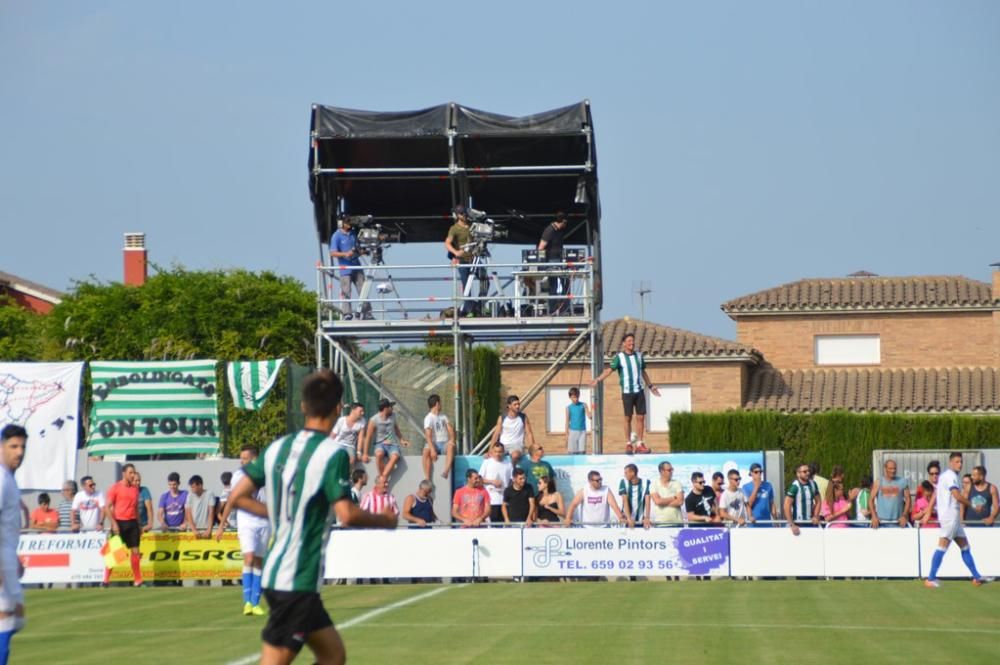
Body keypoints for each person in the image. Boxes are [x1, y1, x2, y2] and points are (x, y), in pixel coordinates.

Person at [227, 369, 397, 664]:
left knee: (333, 654)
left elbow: (237, 496)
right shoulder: (333, 454)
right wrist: (385, 520)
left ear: (303, 406)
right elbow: (346, 514)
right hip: (296, 577)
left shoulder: (276, 448)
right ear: (336, 408)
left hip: (281, 573)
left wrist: (283, 513)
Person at [216, 445, 270, 616]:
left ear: (255, 458)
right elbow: (232, 501)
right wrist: (222, 525)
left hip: (264, 522)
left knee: (259, 562)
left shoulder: (268, 473)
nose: (242, 461)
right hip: (246, 521)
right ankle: (247, 602)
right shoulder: (239, 475)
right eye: (241, 458)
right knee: (248, 557)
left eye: (245, 458)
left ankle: (256, 603)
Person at [925, 452, 991, 588]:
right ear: (950, 463)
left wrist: (929, 510)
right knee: (942, 547)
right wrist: (973, 505)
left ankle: (977, 577)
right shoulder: (950, 476)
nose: (960, 464)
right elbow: (956, 495)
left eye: (961, 461)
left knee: (965, 547)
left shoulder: (947, 476)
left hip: (953, 518)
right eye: (957, 461)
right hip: (950, 518)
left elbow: (937, 494)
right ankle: (930, 579)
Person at [589, 333, 661, 454]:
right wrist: (598, 379)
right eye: (629, 341)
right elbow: (609, 370)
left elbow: (643, 372)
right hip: (627, 392)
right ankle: (628, 443)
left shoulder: (639, 356)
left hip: (639, 390)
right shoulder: (620, 357)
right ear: (624, 343)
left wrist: (651, 386)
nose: (631, 343)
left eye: (632, 341)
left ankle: (639, 443)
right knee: (627, 417)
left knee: (641, 417)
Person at [0, 425, 28, 664]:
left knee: (16, 619)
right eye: (13, 446)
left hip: (7, 557)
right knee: (6, 621)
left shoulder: (9, 478)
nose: (19, 452)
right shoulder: (1, 478)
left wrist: (14, 558)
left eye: (22, 447)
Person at [103, 463, 143, 587]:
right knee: (114, 553)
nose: (133, 475)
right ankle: (105, 580)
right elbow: (107, 507)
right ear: (124, 473)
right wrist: (114, 523)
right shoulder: (115, 488)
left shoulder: (135, 489)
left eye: (134, 472)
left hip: (132, 522)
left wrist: (139, 524)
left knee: (135, 551)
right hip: (119, 523)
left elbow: (135, 508)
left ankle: (138, 580)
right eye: (130, 472)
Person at [329, 215, 371, 320]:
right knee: (346, 291)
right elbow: (332, 253)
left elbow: (356, 249)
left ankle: (367, 312)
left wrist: (363, 252)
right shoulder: (336, 236)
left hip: (356, 266)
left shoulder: (353, 234)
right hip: (345, 269)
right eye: (347, 223)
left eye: (350, 223)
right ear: (342, 223)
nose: (349, 225)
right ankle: (347, 313)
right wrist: (345, 254)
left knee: (363, 289)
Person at [364, 399, 409, 479]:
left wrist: (402, 440)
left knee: (395, 456)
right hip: (380, 444)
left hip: (392, 444)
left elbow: (396, 428)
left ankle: (382, 478)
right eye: (390, 407)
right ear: (385, 408)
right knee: (378, 454)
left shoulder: (393, 416)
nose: (392, 409)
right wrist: (365, 453)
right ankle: (382, 478)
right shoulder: (374, 420)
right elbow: (368, 436)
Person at [444, 204, 475, 317]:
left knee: (485, 278)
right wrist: (456, 253)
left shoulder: (472, 225)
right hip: (463, 260)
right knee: (466, 284)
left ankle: (479, 304)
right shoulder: (454, 228)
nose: (464, 215)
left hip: (474, 258)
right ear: (457, 215)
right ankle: (468, 309)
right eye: (461, 213)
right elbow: (447, 243)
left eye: (465, 212)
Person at [490, 395, 535, 467]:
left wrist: (533, 449)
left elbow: (529, 434)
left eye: (518, 404)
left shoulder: (523, 417)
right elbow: (496, 434)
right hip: (503, 445)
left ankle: (512, 473)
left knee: (515, 456)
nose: (517, 406)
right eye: (515, 404)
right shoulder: (502, 417)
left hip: (516, 445)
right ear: (509, 406)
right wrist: (490, 449)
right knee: (494, 456)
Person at [537, 211, 568, 314]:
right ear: (562, 221)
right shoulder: (549, 230)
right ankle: (552, 309)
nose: (565, 226)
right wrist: (542, 264)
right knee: (554, 285)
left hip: (559, 260)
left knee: (565, 282)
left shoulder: (559, 231)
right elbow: (541, 247)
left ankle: (564, 308)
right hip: (551, 260)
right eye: (565, 223)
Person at [422, 394, 455, 481]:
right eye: (440, 403)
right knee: (426, 451)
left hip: (444, 443)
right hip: (434, 444)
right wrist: (432, 449)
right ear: (437, 404)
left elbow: (450, 429)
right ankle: (427, 478)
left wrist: (452, 440)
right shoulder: (428, 418)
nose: (441, 405)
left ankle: (446, 471)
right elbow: (428, 435)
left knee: (451, 446)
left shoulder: (443, 416)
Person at [870, 459, 911, 529]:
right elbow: (871, 500)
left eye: (894, 468)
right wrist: (874, 516)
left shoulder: (902, 481)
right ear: (885, 468)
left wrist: (904, 515)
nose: (893, 471)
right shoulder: (879, 481)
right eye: (890, 468)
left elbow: (908, 500)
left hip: (898, 523)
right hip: (881, 523)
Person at [479, 443, 513, 524]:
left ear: (504, 452)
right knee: (492, 526)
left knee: (504, 526)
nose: (498, 454)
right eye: (496, 451)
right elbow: (480, 479)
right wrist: (492, 482)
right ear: (492, 452)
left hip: (504, 501)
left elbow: (512, 480)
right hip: (491, 500)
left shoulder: (508, 463)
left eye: (500, 452)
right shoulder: (487, 462)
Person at [784, 463, 820, 536]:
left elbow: (818, 501)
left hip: (810, 523)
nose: (808, 473)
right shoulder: (795, 487)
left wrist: (815, 516)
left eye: (808, 471)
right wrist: (792, 525)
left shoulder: (813, 484)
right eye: (805, 471)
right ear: (798, 474)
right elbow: (786, 506)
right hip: (798, 524)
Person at [331, 402, 366, 467]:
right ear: (353, 410)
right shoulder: (341, 420)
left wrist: (359, 452)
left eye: (363, 411)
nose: (362, 413)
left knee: (352, 460)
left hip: (350, 446)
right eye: (360, 411)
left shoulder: (362, 421)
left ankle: (345, 475)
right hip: (338, 443)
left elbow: (361, 437)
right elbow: (333, 435)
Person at [618, 463, 651, 529]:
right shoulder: (623, 482)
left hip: (640, 519)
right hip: (626, 519)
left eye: (626, 473)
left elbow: (648, 500)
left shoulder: (646, 482)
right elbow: (625, 501)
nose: (625, 475)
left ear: (632, 473)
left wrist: (647, 517)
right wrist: (629, 518)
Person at [564, 387, 590, 454]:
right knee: (572, 452)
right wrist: (566, 433)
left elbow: (590, 416)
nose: (575, 399)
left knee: (582, 452)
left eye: (576, 397)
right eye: (573, 397)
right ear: (570, 397)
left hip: (582, 431)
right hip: (573, 431)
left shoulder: (583, 405)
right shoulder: (568, 408)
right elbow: (567, 421)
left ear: (579, 396)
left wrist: (593, 408)